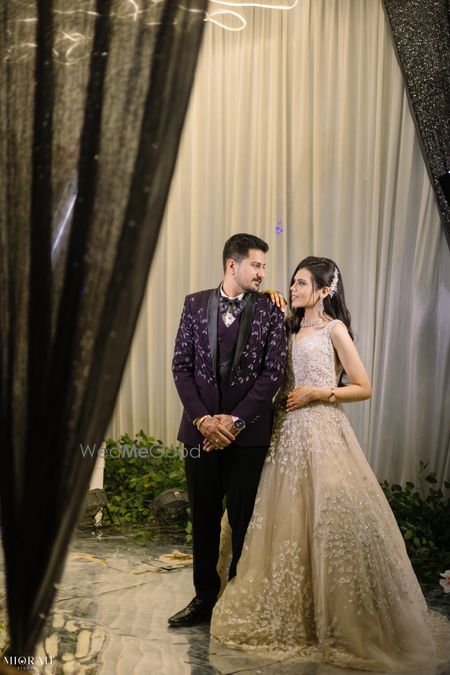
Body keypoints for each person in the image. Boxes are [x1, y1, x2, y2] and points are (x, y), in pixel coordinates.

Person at [211, 256, 449, 671]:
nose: (294, 288)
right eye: (293, 282)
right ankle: (296, 614)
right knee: (286, 523)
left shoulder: (334, 329)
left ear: (324, 291)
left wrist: (319, 393)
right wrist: (271, 297)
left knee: (328, 521)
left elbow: (364, 386)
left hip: (322, 431)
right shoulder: (286, 327)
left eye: (302, 283)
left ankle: (341, 620)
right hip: (284, 436)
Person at [169, 233, 288, 627]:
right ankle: (203, 599)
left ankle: (238, 600)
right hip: (198, 435)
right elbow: (181, 367)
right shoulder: (194, 304)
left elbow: (272, 374)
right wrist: (204, 420)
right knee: (203, 520)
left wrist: (234, 422)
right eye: (256, 264)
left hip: (247, 437)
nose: (262, 272)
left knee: (243, 521)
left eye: (264, 266)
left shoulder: (272, 311)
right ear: (232, 265)